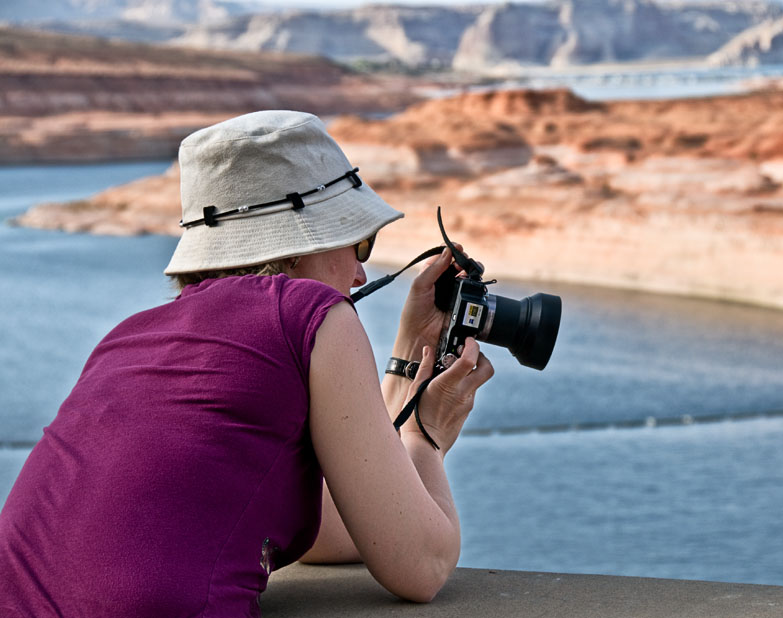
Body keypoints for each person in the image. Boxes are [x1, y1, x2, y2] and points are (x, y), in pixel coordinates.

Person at [0, 110, 494, 616]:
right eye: (357, 242)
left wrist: (406, 359)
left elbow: (353, 528)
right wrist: (426, 437)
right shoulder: (312, 312)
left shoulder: (126, 339)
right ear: (304, 243)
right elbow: (422, 565)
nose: (361, 273)